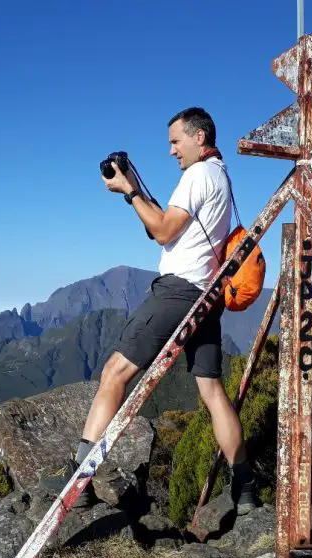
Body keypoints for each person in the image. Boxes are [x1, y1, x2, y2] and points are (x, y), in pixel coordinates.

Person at [46, 106, 257, 515]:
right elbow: (167, 231)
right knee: (212, 391)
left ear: (200, 137)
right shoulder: (220, 176)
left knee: (114, 372)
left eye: (176, 141)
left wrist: (129, 193)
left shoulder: (197, 176)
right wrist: (137, 188)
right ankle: (245, 486)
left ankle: (80, 480)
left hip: (178, 292)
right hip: (208, 297)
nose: (173, 151)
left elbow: (161, 231)